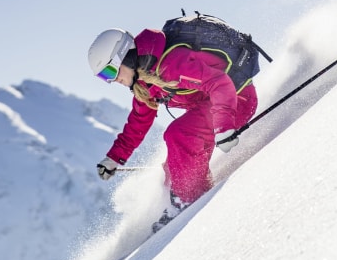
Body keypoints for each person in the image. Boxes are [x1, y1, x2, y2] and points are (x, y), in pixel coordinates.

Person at [87, 26, 258, 231]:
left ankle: (187, 200)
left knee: (179, 134)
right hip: (212, 105)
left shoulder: (171, 64)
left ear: (124, 56)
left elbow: (220, 83)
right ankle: (182, 200)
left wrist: (224, 126)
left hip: (237, 100)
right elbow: (138, 122)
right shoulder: (145, 80)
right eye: (104, 77)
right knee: (173, 168)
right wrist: (114, 158)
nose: (113, 80)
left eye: (110, 71)